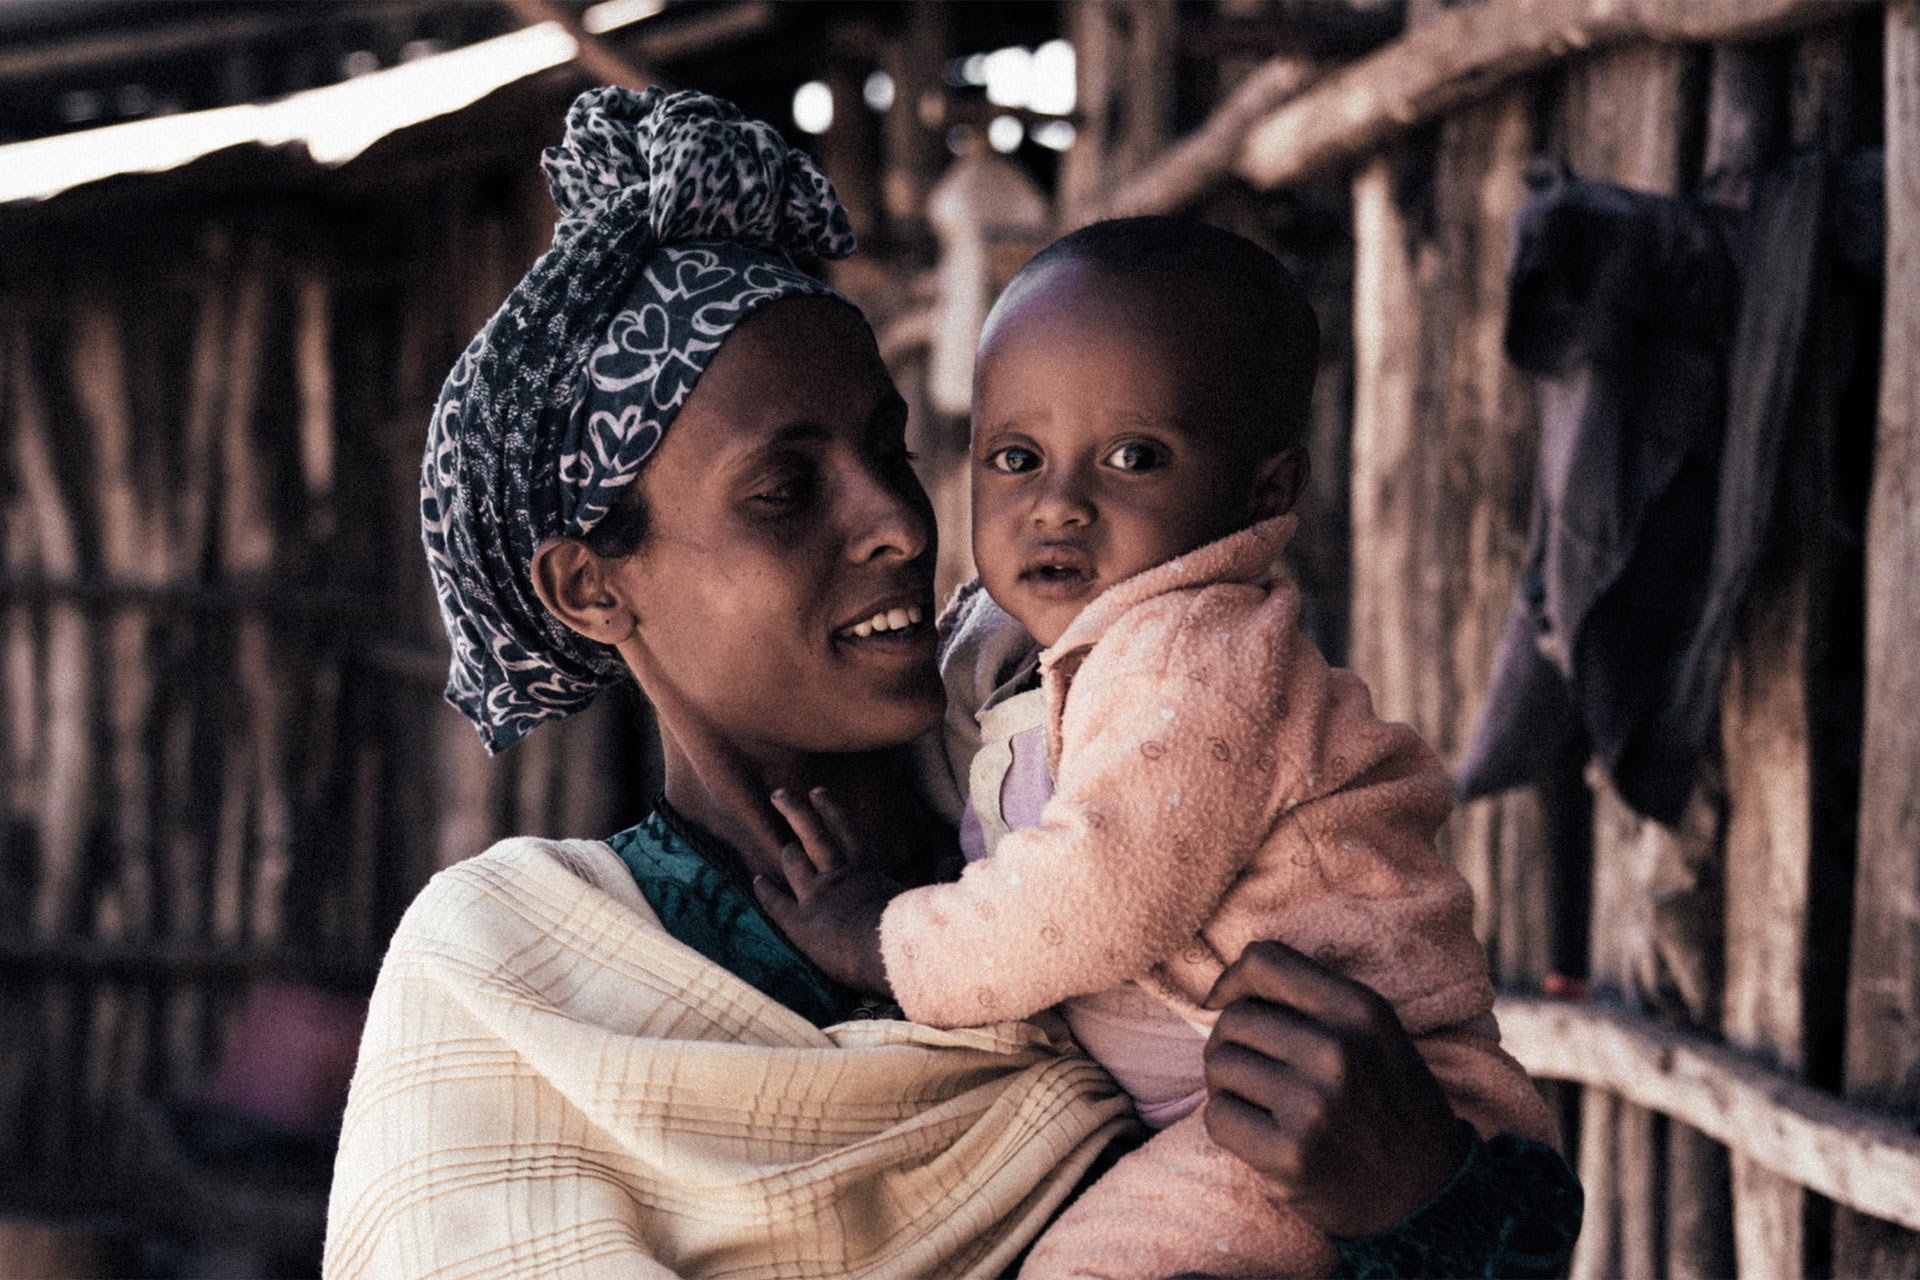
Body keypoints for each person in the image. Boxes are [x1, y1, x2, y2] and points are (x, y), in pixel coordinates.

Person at [325, 86, 1580, 1279]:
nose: (896, 520)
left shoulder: (1097, 815)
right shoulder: (515, 981)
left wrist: (1422, 1201)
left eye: (891, 448)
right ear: (590, 588)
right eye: (785, 490)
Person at [753, 218, 1563, 1277]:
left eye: (1133, 457)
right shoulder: (1029, 652)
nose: (1057, 505)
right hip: (1226, 1094)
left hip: (1341, 1101)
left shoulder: (1195, 657)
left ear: (1264, 493)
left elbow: (1092, 895)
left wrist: (878, 940)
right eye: (1015, 458)